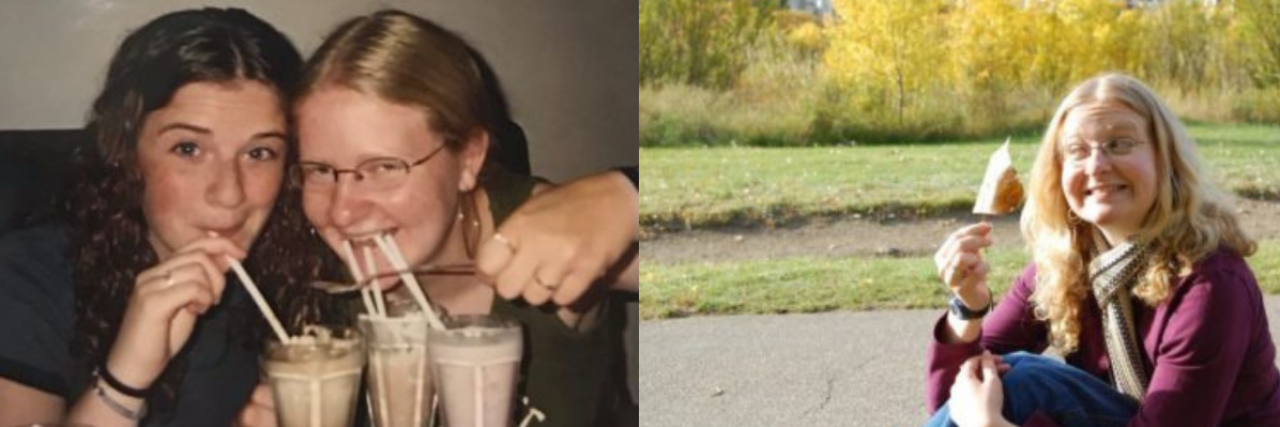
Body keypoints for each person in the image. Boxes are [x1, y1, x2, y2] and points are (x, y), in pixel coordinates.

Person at [233, 9, 638, 427]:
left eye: (384, 167)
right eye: (320, 170)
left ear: (469, 158)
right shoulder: (308, 270)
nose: (342, 210)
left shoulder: (541, 238)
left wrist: (626, 194)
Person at [0, 8, 339, 426]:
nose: (229, 193)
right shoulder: (29, 277)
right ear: (126, 153)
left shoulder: (306, 278)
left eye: (259, 152)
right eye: (188, 149)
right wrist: (123, 381)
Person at [925, 73, 1280, 427]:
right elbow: (954, 402)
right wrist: (968, 307)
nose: (1096, 166)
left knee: (1025, 382)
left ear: (1165, 158)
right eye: (1077, 151)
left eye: (1120, 143)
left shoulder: (1211, 284)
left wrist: (992, 425)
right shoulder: (1065, 262)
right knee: (1008, 375)